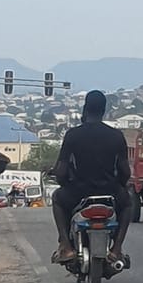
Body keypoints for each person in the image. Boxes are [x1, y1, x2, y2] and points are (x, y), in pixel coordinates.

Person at [52, 90, 132, 263]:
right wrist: (120, 186)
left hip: (78, 192)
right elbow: (125, 171)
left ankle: (65, 246)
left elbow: (61, 171)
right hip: (109, 192)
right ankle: (117, 249)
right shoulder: (116, 136)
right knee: (127, 203)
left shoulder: (73, 135)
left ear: (85, 109)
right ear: (104, 110)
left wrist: (64, 183)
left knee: (57, 198)